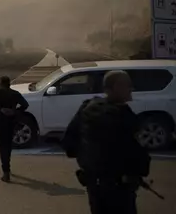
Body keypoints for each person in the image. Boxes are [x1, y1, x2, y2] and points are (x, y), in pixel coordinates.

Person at [62, 70, 150, 214]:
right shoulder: (124, 116)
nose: (131, 88)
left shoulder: (87, 107)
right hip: (119, 188)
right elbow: (137, 155)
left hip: (94, 185)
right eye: (127, 85)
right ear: (116, 87)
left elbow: (69, 144)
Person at [0, 76, 29, 182]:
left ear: (1, 83)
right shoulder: (15, 94)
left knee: (2, 147)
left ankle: (6, 171)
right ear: (9, 84)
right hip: (11, 123)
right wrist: (15, 112)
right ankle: (7, 168)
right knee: (8, 146)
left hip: (0, 123)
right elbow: (25, 105)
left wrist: (1, 109)